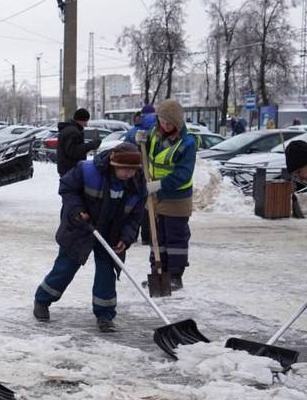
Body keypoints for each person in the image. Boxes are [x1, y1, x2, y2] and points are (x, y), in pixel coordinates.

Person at [33, 143, 146, 332]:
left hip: (112, 232)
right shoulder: (87, 170)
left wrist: (126, 238)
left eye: (132, 170)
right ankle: (42, 300)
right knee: (65, 267)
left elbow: (136, 216)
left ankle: (105, 315)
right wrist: (77, 210)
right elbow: (67, 188)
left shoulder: (138, 184)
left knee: (106, 273)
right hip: (81, 226)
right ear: (113, 163)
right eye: (124, 169)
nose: (128, 174)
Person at [140, 99, 197, 292]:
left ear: (177, 122)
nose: (164, 126)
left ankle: (174, 277)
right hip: (155, 197)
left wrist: (158, 185)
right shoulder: (155, 134)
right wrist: (138, 139)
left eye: (168, 123)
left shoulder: (187, 143)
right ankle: (158, 273)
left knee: (175, 239)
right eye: (161, 121)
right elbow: (142, 150)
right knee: (157, 238)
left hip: (177, 198)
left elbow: (183, 174)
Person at [56, 107, 102, 176]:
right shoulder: (73, 132)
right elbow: (73, 151)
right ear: (81, 120)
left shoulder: (69, 129)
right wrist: (91, 145)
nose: (86, 124)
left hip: (67, 169)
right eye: (86, 121)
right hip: (70, 170)